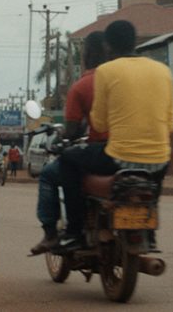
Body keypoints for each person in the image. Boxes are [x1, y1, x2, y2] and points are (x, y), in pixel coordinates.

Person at [57, 20, 173, 250]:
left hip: (117, 157)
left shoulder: (106, 71)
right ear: (135, 42)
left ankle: (74, 232)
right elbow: (170, 123)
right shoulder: (163, 71)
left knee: (68, 160)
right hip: (159, 160)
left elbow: (99, 122)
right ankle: (149, 233)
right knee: (154, 180)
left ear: (108, 47)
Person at [29, 31, 106, 256]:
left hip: (98, 152)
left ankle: (53, 233)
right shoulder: (123, 81)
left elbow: (72, 129)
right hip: (130, 153)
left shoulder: (82, 85)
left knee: (49, 175)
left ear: (86, 55)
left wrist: (64, 139)